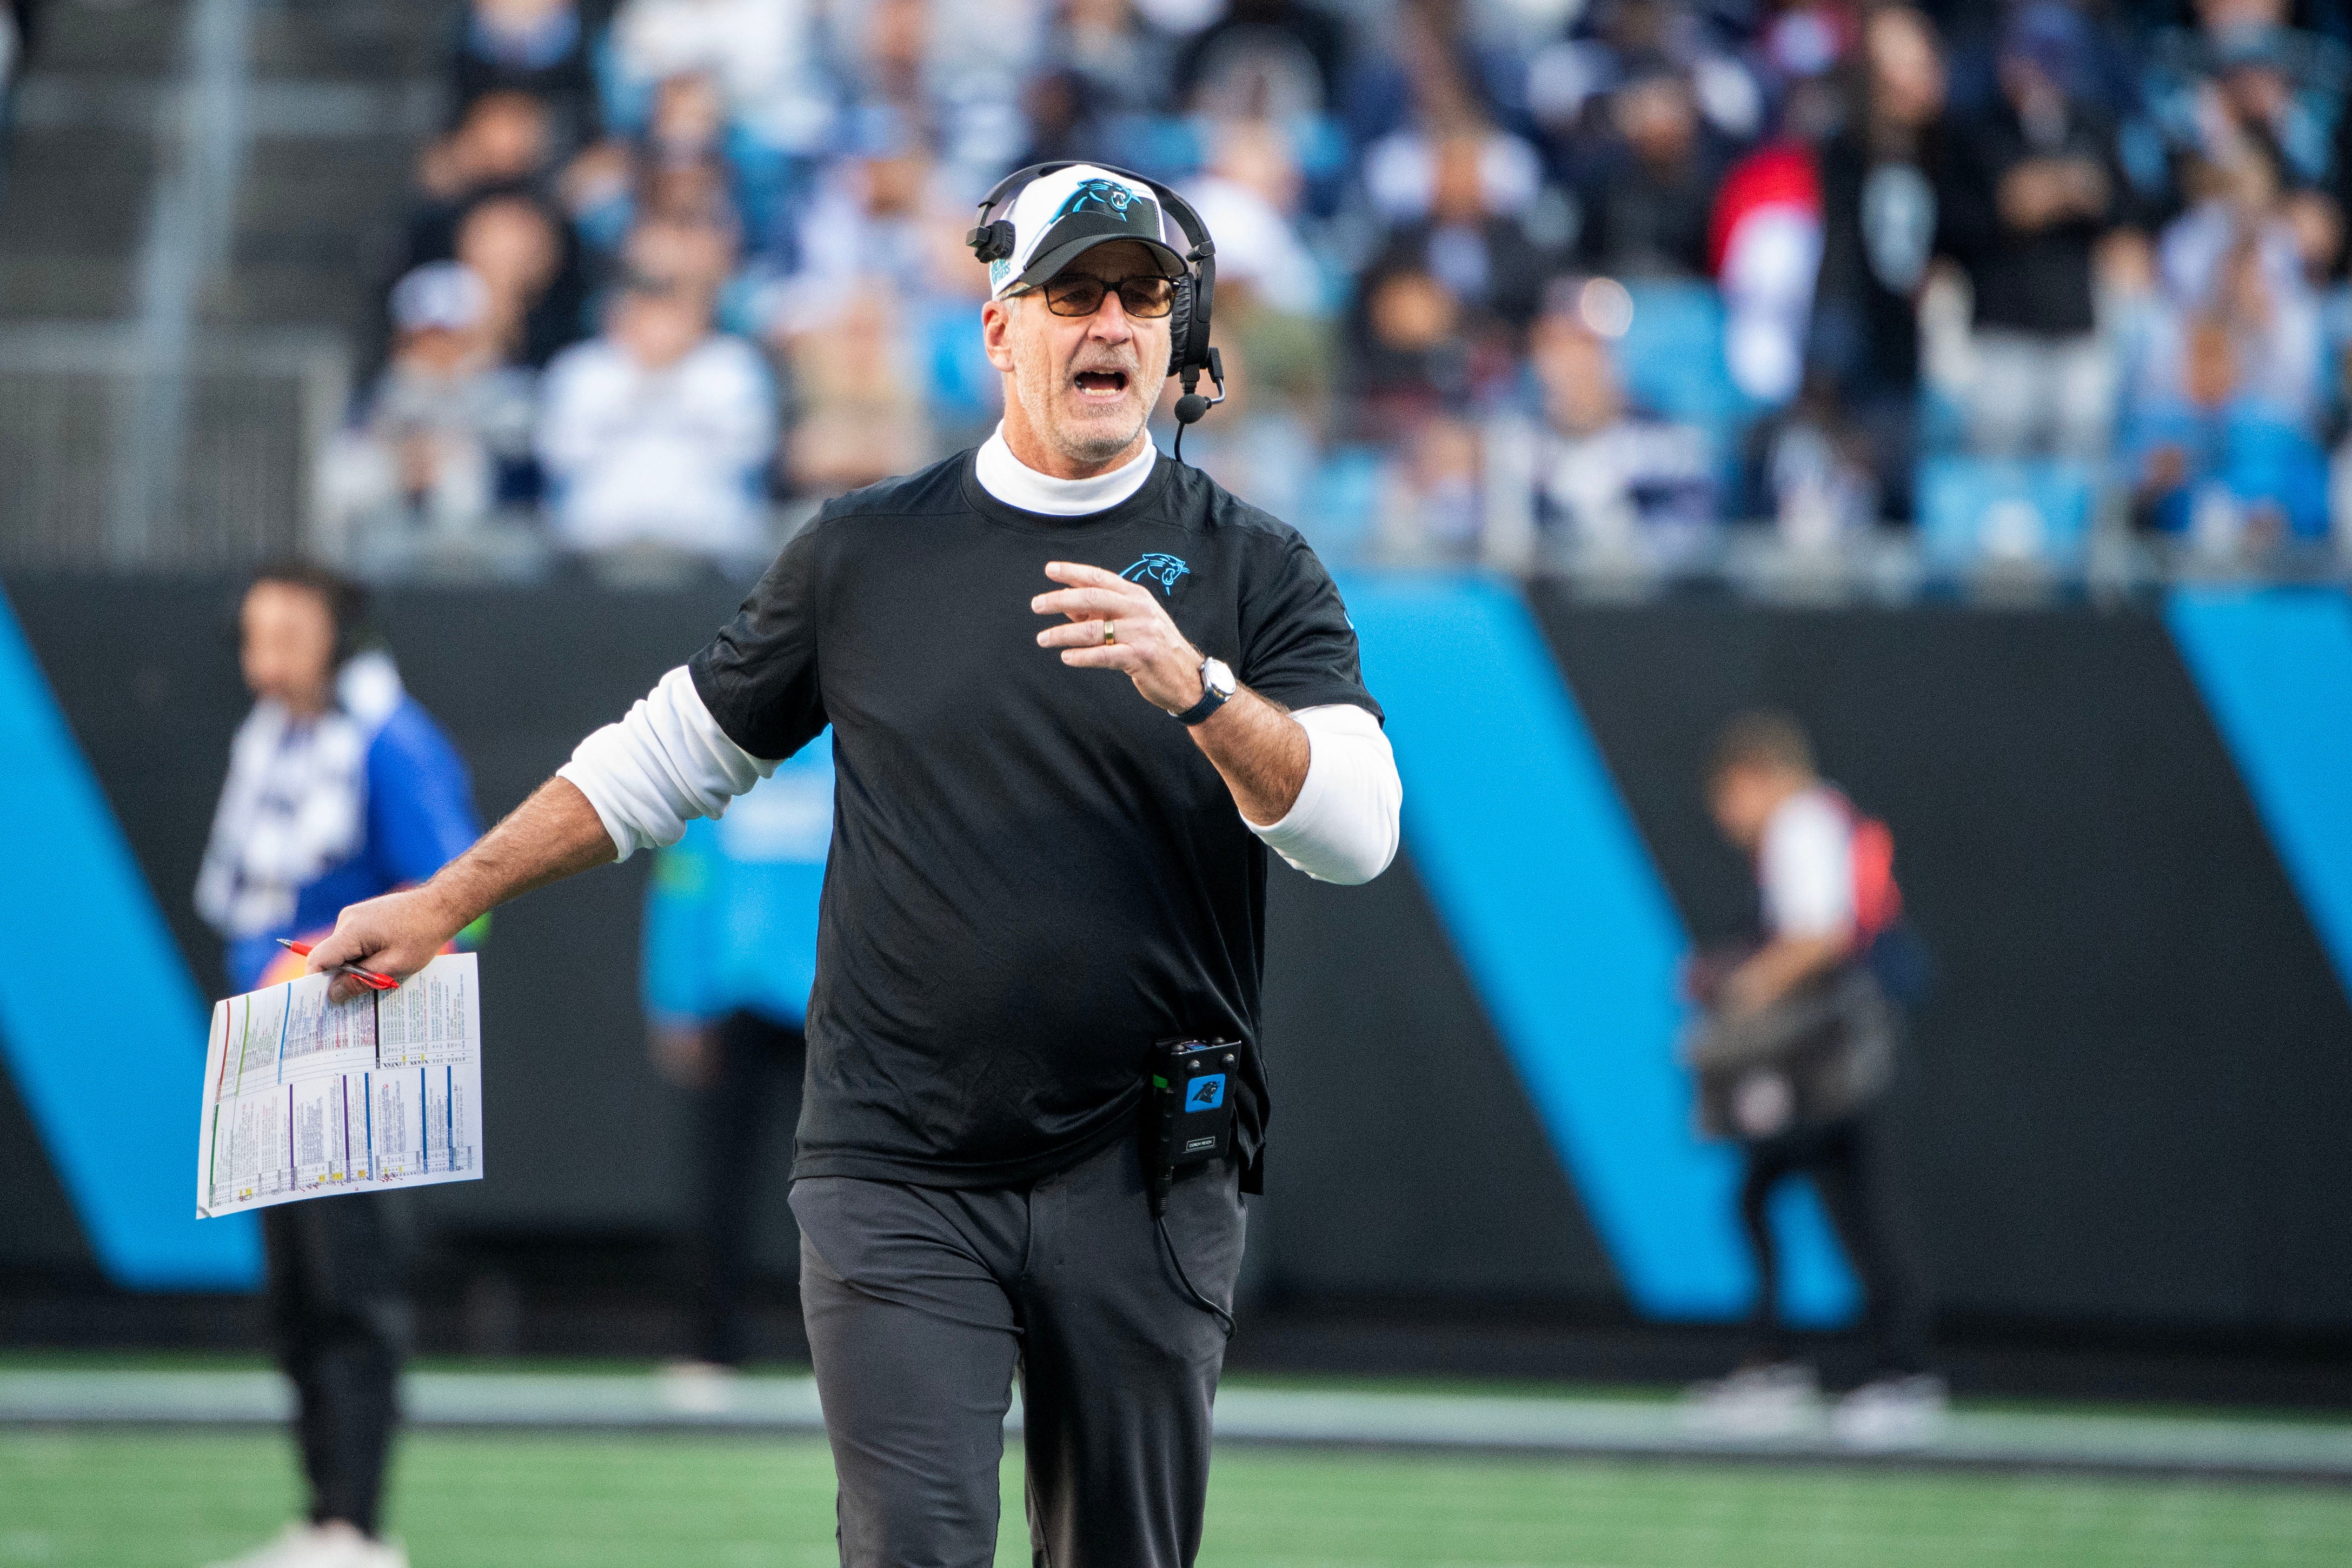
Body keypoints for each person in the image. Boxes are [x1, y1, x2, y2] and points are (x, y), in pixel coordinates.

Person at [304, 162, 1401, 1568]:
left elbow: (1357, 832)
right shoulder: (866, 552)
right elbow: (667, 756)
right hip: (899, 1161)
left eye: (1142, 297)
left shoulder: (1255, 567)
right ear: (999, 327)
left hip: (1145, 1163)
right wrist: (445, 901)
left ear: (1180, 341)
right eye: (1074, 293)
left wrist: (1198, 691)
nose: (1112, 324)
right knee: (910, 1548)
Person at [194, 564, 483, 1568]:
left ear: (335, 636)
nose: (265, 656)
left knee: (353, 1289)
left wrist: (345, 987)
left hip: (351, 1053)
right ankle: (322, 1514)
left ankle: (359, 1526)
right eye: (254, 633)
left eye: (288, 632)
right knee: (296, 1297)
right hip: (265, 1054)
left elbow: (459, 896)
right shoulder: (270, 739)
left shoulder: (390, 740)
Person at [1682, 710, 1941, 1451]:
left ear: (1755, 777)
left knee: (1782, 1196)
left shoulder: (1799, 824)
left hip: (1830, 1055)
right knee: (1832, 1200)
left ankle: (1830, 1370)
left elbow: (1818, 935)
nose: (1726, 818)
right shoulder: (1818, 820)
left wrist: (1743, 989)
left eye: (1728, 797)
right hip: (1840, 1050)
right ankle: (1873, 1369)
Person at [639, 746, 833, 1402]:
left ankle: (843, 1355)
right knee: (722, 1177)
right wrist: (676, 997)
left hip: (840, 1000)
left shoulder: (861, 746)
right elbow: (685, 877)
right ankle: (710, 1348)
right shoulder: (730, 755)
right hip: (738, 993)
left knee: (849, 1182)